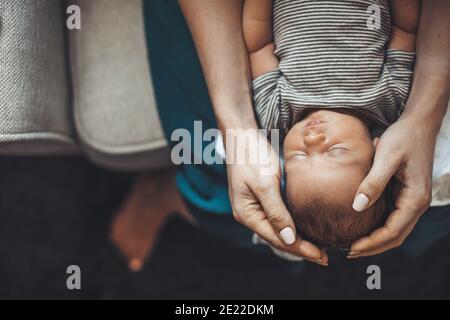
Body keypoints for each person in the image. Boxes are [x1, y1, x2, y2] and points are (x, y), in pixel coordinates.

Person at [143, 0, 449, 265]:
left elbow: (258, 44)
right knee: (430, 215)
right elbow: (406, 31)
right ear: (377, 146)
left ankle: (173, 197)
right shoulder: (390, 102)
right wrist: (423, 115)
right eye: (335, 151)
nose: (312, 139)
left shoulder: (276, 115)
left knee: (212, 172)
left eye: (298, 156)